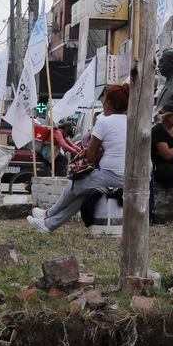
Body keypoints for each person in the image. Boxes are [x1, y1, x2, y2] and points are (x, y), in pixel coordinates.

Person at [31, 83, 130, 233]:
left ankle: (49, 214)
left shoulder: (104, 121)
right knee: (81, 194)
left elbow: (91, 153)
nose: (102, 102)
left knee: (74, 183)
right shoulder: (130, 121)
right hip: (129, 176)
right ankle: (48, 224)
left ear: (109, 102)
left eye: (104, 99)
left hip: (111, 174)